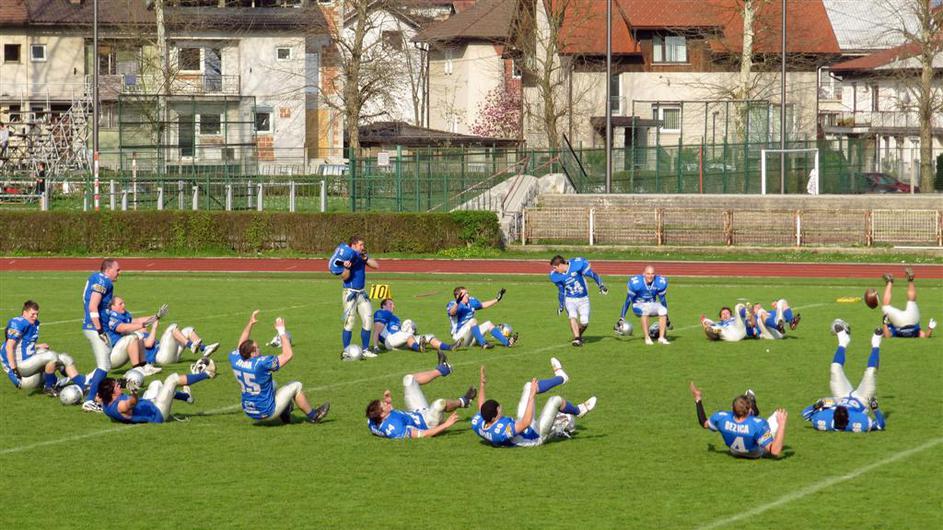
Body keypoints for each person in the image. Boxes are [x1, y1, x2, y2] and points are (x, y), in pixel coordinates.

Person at [228, 311, 330, 425]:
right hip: (267, 412)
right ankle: (314, 416)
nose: (259, 349)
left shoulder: (235, 358)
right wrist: (281, 331)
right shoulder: (260, 364)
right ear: (252, 354)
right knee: (296, 385)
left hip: (249, 410)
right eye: (257, 348)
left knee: (273, 383)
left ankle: (285, 413)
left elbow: (241, 344)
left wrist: (250, 323)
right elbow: (288, 355)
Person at [471, 359, 596, 447]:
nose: (501, 408)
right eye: (499, 409)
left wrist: (482, 383)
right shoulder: (500, 432)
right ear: (493, 417)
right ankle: (579, 411)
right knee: (555, 400)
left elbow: (482, 405)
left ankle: (562, 377)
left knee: (529, 385)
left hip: (522, 425)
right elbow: (525, 423)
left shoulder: (479, 421)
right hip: (535, 436)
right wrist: (531, 397)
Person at [365, 352, 475, 439]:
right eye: (384, 406)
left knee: (409, 379)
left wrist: (388, 403)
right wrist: (446, 424)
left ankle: (443, 368)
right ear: (382, 415)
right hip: (428, 423)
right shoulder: (395, 429)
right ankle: (464, 401)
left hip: (417, 412)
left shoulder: (372, 421)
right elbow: (423, 434)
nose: (386, 404)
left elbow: (383, 421)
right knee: (439, 404)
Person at [800, 322, 886, 432]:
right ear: (848, 418)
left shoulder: (824, 421)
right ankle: (876, 343)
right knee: (870, 373)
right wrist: (875, 409)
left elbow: (805, 415)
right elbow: (880, 425)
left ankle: (843, 341)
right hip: (862, 399)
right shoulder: (858, 422)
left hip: (840, 397)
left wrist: (817, 405)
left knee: (835, 369)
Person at [105, 297, 218, 370]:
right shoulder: (133, 336)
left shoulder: (133, 325)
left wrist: (156, 316)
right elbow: (149, 344)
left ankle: (204, 348)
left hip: (166, 353)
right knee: (172, 327)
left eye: (124, 302)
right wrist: (154, 327)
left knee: (188, 330)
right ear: (113, 307)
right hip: (160, 357)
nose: (124, 305)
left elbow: (139, 320)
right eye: (121, 303)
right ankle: (191, 346)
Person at [3, 300, 85, 394]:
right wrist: (14, 370)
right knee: (51, 356)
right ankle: (49, 387)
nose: (35, 317)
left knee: (65, 358)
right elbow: (9, 347)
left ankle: (82, 384)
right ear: (25, 313)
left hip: (30, 365)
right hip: (22, 368)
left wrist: (37, 346)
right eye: (32, 314)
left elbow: (23, 344)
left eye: (37, 314)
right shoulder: (18, 323)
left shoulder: (34, 323)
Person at [689, 382, 788, 459]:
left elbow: (704, 423)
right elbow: (774, 451)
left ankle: (751, 402)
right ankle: (751, 403)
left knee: (750, 425)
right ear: (749, 411)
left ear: (732, 408)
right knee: (777, 415)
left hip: (734, 452)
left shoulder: (722, 418)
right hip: (755, 453)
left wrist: (698, 398)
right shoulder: (758, 424)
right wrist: (782, 423)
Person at [98, 367, 216, 424]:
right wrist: (133, 392)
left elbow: (98, 397)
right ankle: (207, 373)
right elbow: (131, 403)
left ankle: (185, 396)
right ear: (111, 392)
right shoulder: (120, 406)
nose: (119, 385)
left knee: (157, 383)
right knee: (172, 380)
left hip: (149, 402)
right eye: (116, 386)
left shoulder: (104, 401)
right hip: (158, 413)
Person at [81, 259, 121, 413]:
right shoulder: (102, 280)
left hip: (95, 326)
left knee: (106, 364)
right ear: (108, 269)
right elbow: (92, 305)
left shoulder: (100, 279)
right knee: (103, 365)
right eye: (117, 269)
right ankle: (89, 399)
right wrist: (99, 329)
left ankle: (93, 393)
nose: (119, 272)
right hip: (94, 327)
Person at [328, 236, 379, 356]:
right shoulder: (348, 256)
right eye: (361, 245)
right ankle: (346, 351)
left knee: (368, 319)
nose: (363, 247)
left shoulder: (360, 256)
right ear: (353, 245)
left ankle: (365, 350)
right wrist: (347, 267)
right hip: (350, 293)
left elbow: (376, 265)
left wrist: (365, 258)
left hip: (362, 293)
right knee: (349, 322)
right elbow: (344, 277)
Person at [549, 255, 608, 347]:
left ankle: (578, 335)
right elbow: (561, 291)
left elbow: (593, 274)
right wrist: (561, 305)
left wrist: (601, 285)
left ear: (560, 265)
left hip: (583, 299)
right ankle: (577, 339)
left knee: (585, 322)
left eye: (555, 267)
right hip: (570, 299)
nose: (555, 270)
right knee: (572, 316)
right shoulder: (556, 276)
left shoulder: (576, 266)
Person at [371, 298, 455, 353]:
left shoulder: (396, 318)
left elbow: (399, 332)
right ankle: (419, 348)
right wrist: (375, 347)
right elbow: (376, 331)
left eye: (393, 304)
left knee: (429, 337)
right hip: (389, 340)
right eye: (390, 304)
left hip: (399, 339)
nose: (393, 306)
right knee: (408, 333)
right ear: (383, 306)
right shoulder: (381, 312)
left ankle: (450, 347)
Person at [446, 286, 516, 349]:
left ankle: (507, 343)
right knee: (473, 321)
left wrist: (497, 299)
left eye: (467, 293)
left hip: (470, 337)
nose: (467, 295)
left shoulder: (470, 302)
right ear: (458, 296)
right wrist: (457, 302)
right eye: (465, 294)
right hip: (460, 337)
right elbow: (452, 312)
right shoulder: (453, 304)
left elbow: (482, 305)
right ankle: (483, 344)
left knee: (488, 324)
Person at [878, 267, 936, 338]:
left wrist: (884, 323)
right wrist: (930, 328)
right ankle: (910, 280)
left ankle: (890, 281)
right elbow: (925, 336)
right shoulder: (916, 332)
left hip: (902, 322)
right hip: (912, 320)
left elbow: (887, 336)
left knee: (886, 307)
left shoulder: (894, 330)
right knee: (911, 301)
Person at [619, 265, 670, 345]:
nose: (650, 276)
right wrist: (622, 317)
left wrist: (667, 316)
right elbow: (628, 300)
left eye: (652, 274)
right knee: (645, 310)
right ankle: (647, 338)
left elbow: (663, 300)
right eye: (648, 273)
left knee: (663, 310)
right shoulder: (636, 283)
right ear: (644, 274)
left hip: (651, 304)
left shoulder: (659, 282)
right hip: (638, 305)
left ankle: (661, 338)